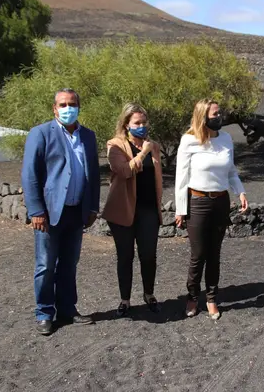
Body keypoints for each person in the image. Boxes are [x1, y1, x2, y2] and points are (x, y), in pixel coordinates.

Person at [21, 88, 101, 336]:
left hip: (76, 211)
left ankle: (67, 309)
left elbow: (94, 175)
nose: (68, 109)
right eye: (63, 105)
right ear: (55, 109)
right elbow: (30, 174)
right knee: (45, 265)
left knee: (69, 264)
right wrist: (35, 210)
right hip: (49, 212)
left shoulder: (87, 136)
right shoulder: (41, 133)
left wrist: (92, 206)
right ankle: (45, 312)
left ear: (79, 106)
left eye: (73, 104)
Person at [175, 98, 248, 320]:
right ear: (202, 117)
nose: (219, 117)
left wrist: (241, 191)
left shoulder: (226, 139)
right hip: (197, 201)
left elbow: (231, 171)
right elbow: (181, 177)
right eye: (214, 114)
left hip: (220, 201)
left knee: (214, 253)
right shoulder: (189, 141)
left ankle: (211, 298)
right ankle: (192, 296)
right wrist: (180, 209)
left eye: (219, 113)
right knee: (198, 254)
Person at [101, 103, 163, 317]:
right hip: (123, 210)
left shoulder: (153, 146)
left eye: (144, 122)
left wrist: (148, 148)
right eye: (137, 123)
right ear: (126, 124)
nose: (142, 126)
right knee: (125, 256)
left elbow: (156, 178)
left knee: (148, 255)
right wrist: (143, 152)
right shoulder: (116, 145)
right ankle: (125, 299)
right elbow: (125, 171)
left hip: (148, 210)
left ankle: (149, 294)